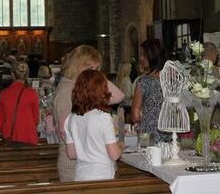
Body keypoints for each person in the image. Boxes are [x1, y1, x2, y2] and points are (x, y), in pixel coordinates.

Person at [53, 45, 124, 182]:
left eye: (97, 69)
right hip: (75, 167)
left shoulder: (86, 91)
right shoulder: (67, 90)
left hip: (85, 168)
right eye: (90, 69)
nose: (95, 73)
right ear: (77, 65)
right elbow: (64, 131)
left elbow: (119, 96)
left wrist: (97, 80)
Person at [64, 69, 123, 181]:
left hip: (80, 176)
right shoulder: (103, 117)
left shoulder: (71, 119)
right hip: (102, 177)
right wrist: (121, 146)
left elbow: (72, 154)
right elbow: (114, 155)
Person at [131, 38, 170, 143]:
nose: (141, 58)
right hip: (169, 135)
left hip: (147, 137)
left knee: (145, 158)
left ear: (153, 56)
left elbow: (135, 116)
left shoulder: (143, 81)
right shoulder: (171, 81)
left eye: (144, 55)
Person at [0, 61, 39, 145]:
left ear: (12, 74)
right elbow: (36, 119)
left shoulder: (4, 93)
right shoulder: (32, 93)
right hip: (28, 137)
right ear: (27, 75)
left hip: (9, 137)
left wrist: (5, 131)